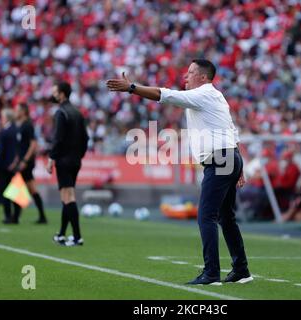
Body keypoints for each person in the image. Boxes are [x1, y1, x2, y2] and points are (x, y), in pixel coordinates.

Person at [106, 59, 252, 285]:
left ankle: (211, 273)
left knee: (206, 216)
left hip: (221, 160)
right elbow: (231, 130)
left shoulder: (203, 93)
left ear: (203, 77)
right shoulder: (217, 96)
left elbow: (167, 95)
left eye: (191, 72)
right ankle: (241, 269)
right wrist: (238, 164)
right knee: (225, 217)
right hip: (229, 157)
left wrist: (132, 88)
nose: (186, 76)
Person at [46, 82, 89, 247]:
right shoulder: (78, 113)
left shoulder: (61, 112)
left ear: (62, 94)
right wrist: (79, 155)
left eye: (55, 91)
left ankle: (77, 236)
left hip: (64, 160)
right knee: (66, 197)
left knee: (68, 197)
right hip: (75, 160)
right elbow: (86, 139)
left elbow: (57, 138)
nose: (53, 94)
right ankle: (62, 234)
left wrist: (51, 159)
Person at [15, 103, 48, 224]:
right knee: (30, 188)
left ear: (23, 111)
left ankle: (15, 216)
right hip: (24, 161)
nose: (15, 112)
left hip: (27, 162)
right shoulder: (22, 125)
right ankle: (41, 216)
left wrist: (25, 160)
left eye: (17, 110)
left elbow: (33, 144)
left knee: (20, 186)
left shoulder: (27, 125)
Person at [0, 108, 20, 224]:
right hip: (14, 165)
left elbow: (1, 150)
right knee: (15, 192)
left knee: (5, 192)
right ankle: (16, 216)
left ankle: (8, 216)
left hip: (4, 166)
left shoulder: (4, 132)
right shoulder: (16, 130)